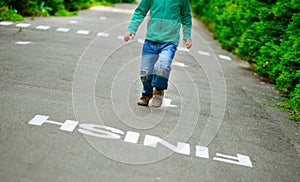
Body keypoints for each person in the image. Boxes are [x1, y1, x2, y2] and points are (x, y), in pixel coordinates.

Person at [124, 0, 192, 107]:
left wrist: (187, 36)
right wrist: (132, 29)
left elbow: (186, 16)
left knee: (163, 65)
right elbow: (140, 11)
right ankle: (146, 93)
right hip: (151, 39)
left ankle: (159, 90)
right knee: (145, 72)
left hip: (169, 41)